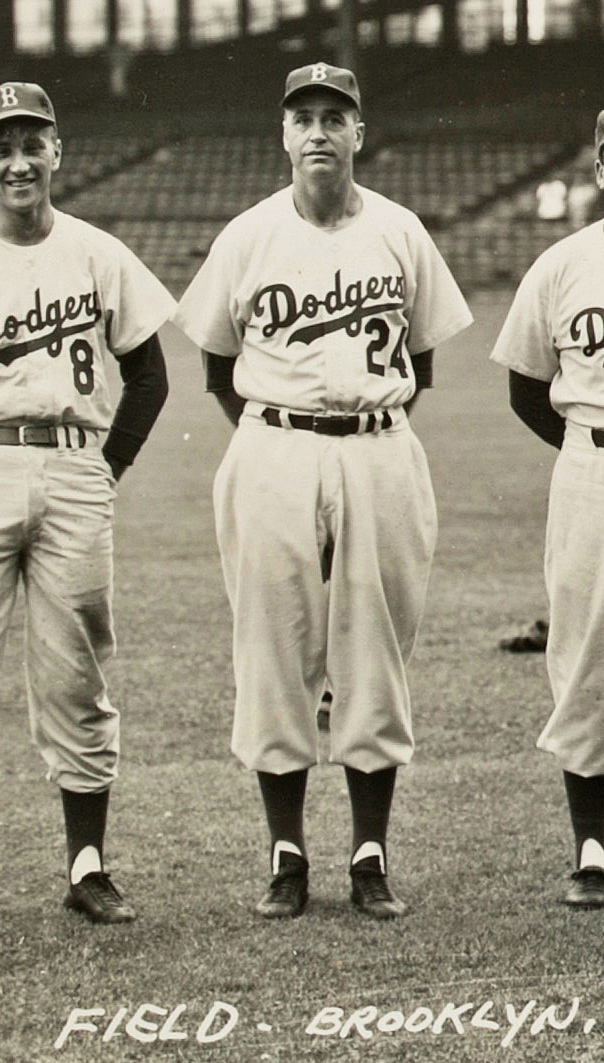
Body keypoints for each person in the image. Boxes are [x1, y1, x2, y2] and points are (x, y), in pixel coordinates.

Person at [173, 62, 472, 920]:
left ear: (358, 135)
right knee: (272, 644)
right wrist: (279, 437)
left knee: (377, 648)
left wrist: (354, 432)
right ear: (283, 135)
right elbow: (219, 367)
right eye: (302, 117)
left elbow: (419, 365)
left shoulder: (401, 230)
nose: (317, 132)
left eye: (333, 118)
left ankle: (370, 854)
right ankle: (287, 853)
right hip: (273, 446)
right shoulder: (248, 235)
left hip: (380, 448)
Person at [0, 82, 175, 923]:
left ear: (57, 152)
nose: (17, 160)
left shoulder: (97, 252)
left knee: (77, 674)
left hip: (73, 464)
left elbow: (150, 374)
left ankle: (88, 864)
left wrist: (108, 469)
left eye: (32, 142)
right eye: (3, 145)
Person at [491, 108, 604, 908]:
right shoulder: (564, 264)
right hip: (592, 461)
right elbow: (527, 388)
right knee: (584, 654)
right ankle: (594, 844)